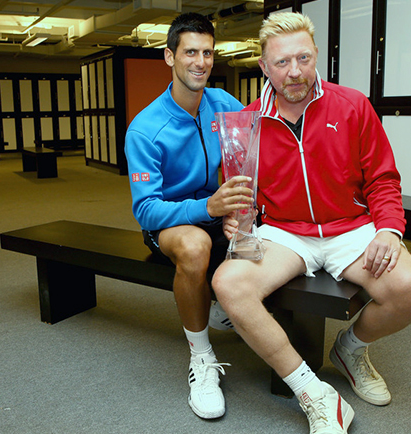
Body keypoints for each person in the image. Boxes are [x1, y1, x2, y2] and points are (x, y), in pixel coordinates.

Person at [211, 12, 411, 433]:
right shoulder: (248, 121)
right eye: (282, 62)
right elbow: (243, 191)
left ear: (316, 56)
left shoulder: (352, 105)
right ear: (264, 66)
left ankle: (351, 349)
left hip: (349, 226)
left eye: (303, 58)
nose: (294, 72)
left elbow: (383, 178)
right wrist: (238, 219)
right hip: (285, 233)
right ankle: (313, 393)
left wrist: (388, 229)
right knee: (228, 284)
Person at [125, 12, 247, 420]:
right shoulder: (145, 128)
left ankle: (225, 302)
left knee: (265, 230)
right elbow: (146, 209)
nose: (200, 62)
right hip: (170, 222)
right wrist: (208, 208)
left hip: (214, 212)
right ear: (169, 57)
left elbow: (251, 154)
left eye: (207, 53)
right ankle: (201, 357)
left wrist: (237, 211)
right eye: (190, 52)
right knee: (196, 246)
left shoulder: (223, 105)